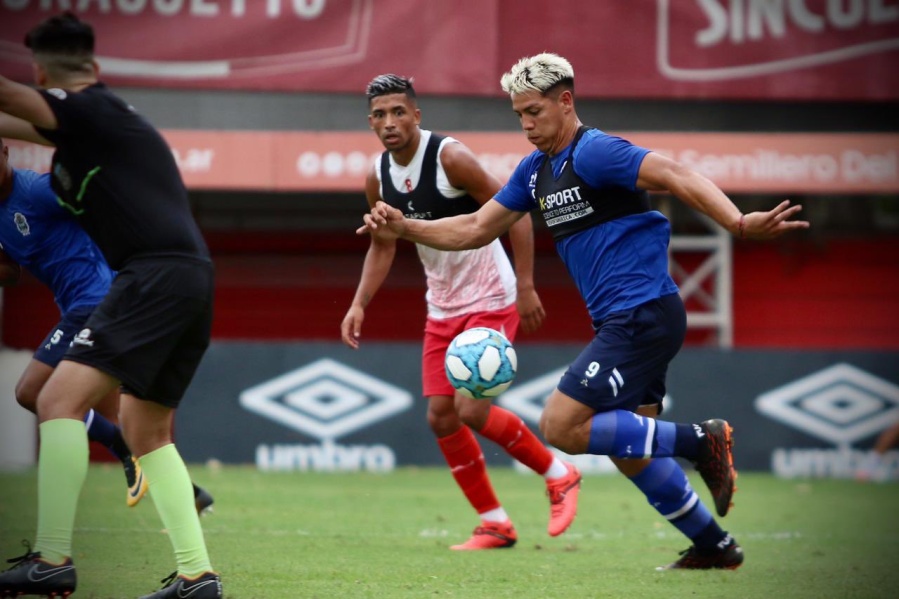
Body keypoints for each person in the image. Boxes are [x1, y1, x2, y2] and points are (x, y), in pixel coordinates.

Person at [360, 53, 810, 570]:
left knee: (560, 424)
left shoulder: (594, 152)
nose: (527, 124)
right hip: (633, 317)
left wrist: (738, 222)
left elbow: (673, 173)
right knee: (631, 450)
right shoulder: (534, 172)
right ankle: (715, 546)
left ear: (566, 102)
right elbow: (475, 228)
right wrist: (405, 227)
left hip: (640, 312)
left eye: (535, 112)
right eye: (519, 115)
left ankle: (700, 440)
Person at [0, 13, 221, 598]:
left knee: (54, 399)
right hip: (188, 276)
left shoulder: (86, 109)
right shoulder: (92, 125)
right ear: (95, 64)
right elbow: (17, 117)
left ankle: (51, 559)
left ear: (42, 76)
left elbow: (9, 98)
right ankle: (197, 578)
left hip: (151, 276)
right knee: (146, 429)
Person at [341, 74, 581, 550]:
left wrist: (526, 286)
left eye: (399, 112)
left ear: (416, 115)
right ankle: (495, 522)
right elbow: (384, 244)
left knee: (470, 409)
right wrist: (358, 303)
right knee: (441, 417)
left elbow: (516, 212)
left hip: (490, 294)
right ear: (370, 122)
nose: (390, 123)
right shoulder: (378, 176)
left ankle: (559, 473)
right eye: (380, 115)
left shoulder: (449, 157)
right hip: (443, 302)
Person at [0, 138, 215, 515]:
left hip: (96, 299)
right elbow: (11, 273)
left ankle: (60, 533)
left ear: (5, 152)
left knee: (33, 392)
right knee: (125, 416)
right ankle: (186, 492)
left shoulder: (35, 191)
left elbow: (98, 205)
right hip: (81, 307)